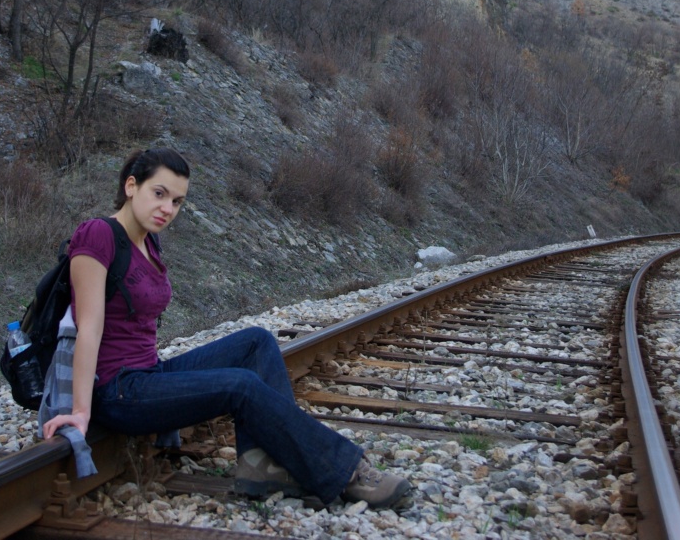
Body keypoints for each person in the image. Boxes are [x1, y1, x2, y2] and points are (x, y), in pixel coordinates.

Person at [41, 147, 411, 509]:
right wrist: (81, 411)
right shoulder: (98, 235)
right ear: (131, 186)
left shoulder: (149, 241)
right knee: (240, 385)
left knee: (257, 342)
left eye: (177, 201)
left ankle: (262, 465)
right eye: (159, 193)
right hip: (116, 391)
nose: (168, 209)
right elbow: (88, 327)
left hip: (148, 374)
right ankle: (345, 471)